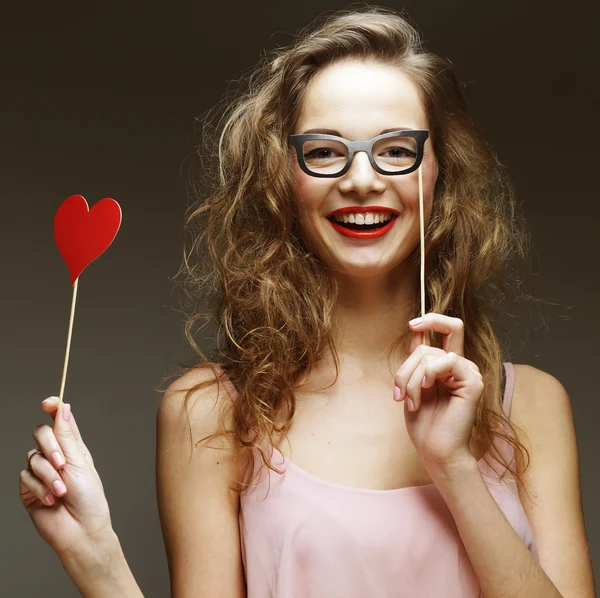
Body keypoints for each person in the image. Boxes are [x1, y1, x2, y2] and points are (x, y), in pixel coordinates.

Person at [19, 6, 596, 598]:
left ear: (439, 174)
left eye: (397, 149)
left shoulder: (530, 407)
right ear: (281, 180)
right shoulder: (212, 413)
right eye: (323, 152)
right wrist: (97, 561)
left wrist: (453, 466)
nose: (362, 180)